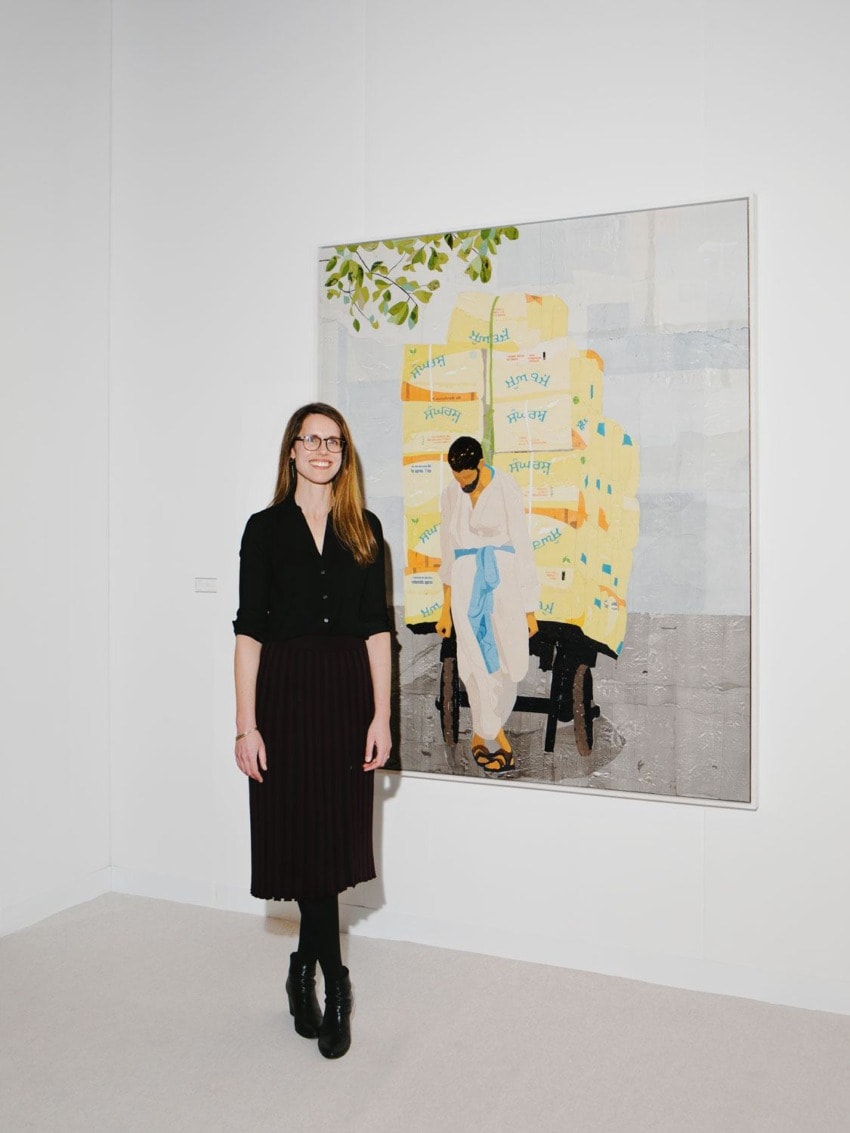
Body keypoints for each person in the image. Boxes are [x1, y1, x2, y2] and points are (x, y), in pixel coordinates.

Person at [233, 402, 391, 1060]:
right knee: (301, 841)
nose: (322, 450)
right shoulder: (264, 529)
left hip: (347, 699)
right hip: (285, 700)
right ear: (292, 450)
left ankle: (307, 971)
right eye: (312, 439)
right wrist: (246, 726)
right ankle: (335, 982)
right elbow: (248, 633)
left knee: (328, 844)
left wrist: (382, 715)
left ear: (343, 455)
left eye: (334, 441)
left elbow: (378, 630)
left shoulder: (366, 529)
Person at [436, 437, 539, 775]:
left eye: (467, 479)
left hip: (503, 580)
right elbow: (447, 551)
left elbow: (522, 544)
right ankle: (495, 738)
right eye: (457, 479)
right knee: (475, 660)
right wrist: (445, 608)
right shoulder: (450, 495)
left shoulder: (505, 486)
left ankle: (485, 731)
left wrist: (529, 608)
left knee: (508, 660)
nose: (462, 485)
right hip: (465, 581)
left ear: (480, 465)